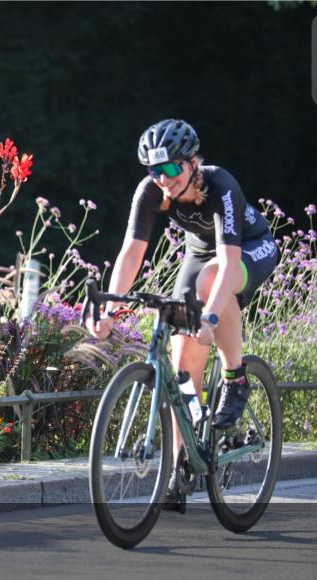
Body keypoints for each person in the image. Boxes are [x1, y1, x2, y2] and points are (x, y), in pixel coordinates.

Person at [86, 119, 280, 508]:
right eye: (155, 171)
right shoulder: (151, 191)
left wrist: (209, 318)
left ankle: (235, 377)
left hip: (248, 248)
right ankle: (182, 468)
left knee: (210, 285)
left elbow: (227, 264)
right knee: (181, 370)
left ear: (192, 163)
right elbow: (131, 253)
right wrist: (110, 309)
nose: (164, 179)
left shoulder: (220, 185)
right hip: (199, 254)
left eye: (172, 168)